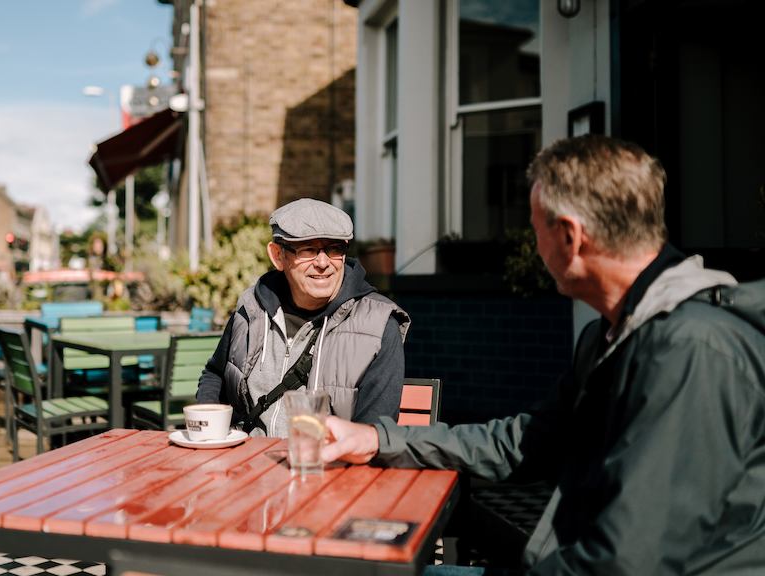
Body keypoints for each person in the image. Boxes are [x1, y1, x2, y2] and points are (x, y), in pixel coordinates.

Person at [322, 135, 765, 575]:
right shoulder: (610, 336)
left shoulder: (692, 351)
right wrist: (378, 439)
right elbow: (521, 442)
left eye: (536, 229)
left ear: (570, 236)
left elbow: (627, 561)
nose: (534, 246)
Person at [197, 198, 411, 437]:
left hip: (327, 466)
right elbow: (216, 373)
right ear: (278, 255)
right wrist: (209, 434)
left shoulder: (378, 325)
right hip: (247, 463)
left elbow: (373, 433)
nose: (323, 263)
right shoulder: (251, 309)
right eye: (308, 249)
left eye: (334, 249)